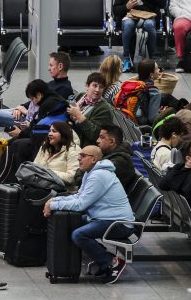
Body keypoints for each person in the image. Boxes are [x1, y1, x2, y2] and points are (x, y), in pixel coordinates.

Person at [43, 146, 132, 283]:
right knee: (72, 224)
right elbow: (79, 196)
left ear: (94, 159)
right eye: (79, 155)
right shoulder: (90, 173)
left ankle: (112, 262)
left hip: (119, 224)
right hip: (104, 218)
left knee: (79, 235)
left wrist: (53, 205)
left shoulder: (98, 176)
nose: (79, 158)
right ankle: (102, 259)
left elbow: (81, 205)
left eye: (83, 156)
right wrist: (55, 201)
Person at [112, 0, 165, 73]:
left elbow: (163, 4)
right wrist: (126, 6)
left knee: (149, 25)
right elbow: (115, 9)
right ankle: (126, 58)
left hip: (148, 16)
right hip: (130, 15)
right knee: (128, 25)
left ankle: (153, 59)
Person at [66, 72, 112, 146]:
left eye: (101, 87)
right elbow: (65, 105)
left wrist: (79, 115)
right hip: (70, 138)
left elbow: (95, 135)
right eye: (95, 85)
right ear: (87, 86)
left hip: (85, 146)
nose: (97, 90)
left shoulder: (104, 109)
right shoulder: (80, 96)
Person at [94, 125, 141, 191]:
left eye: (102, 137)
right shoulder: (109, 154)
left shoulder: (120, 161)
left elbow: (93, 178)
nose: (97, 141)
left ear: (111, 141)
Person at [32, 121, 80, 186]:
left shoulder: (74, 150)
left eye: (54, 131)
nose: (49, 134)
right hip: (40, 186)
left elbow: (72, 177)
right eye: (49, 131)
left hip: (63, 190)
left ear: (63, 133)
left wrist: (47, 172)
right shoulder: (44, 147)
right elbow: (34, 167)